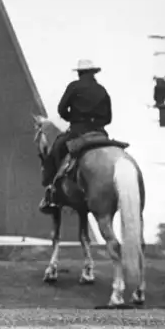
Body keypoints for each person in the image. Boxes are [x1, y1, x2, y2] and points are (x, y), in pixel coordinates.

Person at [40, 59, 113, 213]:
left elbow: (61, 109)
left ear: (79, 73)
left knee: (57, 148)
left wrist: (72, 119)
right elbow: (108, 118)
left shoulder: (74, 87)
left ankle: (51, 192)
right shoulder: (102, 90)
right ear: (94, 73)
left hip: (78, 130)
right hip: (100, 132)